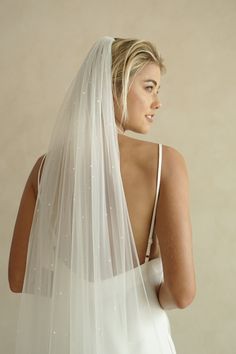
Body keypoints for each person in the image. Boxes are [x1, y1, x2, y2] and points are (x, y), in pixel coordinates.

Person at [8, 36, 196, 353]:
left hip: (70, 339)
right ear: (113, 88)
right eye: (149, 87)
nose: (157, 102)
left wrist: (81, 292)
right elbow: (182, 294)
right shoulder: (165, 163)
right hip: (138, 340)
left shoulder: (45, 168)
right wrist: (134, 291)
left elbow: (18, 277)